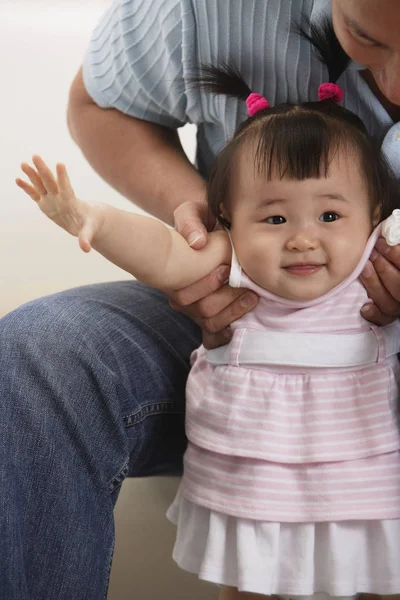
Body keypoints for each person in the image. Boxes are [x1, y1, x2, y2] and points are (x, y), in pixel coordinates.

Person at [2, 0, 400, 598]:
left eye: (328, 215)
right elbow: (164, 253)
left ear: (373, 219)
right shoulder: (234, 257)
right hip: (256, 463)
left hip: (362, 464)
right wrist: (94, 219)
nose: (301, 237)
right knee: (33, 351)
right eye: (272, 216)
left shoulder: (373, 249)